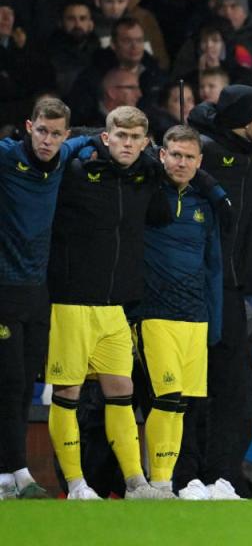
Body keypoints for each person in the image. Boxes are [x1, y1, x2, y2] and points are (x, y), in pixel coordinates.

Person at [45, 107, 177, 501]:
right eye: (120, 136)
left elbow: (163, 217)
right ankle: (75, 485)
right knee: (67, 393)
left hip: (116, 306)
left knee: (120, 392)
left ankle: (136, 482)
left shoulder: (141, 178)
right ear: (106, 137)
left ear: (145, 142)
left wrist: (158, 172)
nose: (127, 144)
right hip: (71, 301)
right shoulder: (75, 173)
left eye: (136, 138)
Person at [0, 99, 92, 499]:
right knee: (10, 380)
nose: (48, 140)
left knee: (24, 385)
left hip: (38, 292)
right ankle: (16, 471)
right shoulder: (6, 158)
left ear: (65, 136)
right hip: (3, 288)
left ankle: (9, 474)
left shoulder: (64, 155)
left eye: (56, 133)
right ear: (28, 127)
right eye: (41, 131)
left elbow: (99, 138)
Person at [185, 85, 252, 497]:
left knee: (234, 390)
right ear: (242, 117)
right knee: (187, 388)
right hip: (192, 288)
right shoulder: (203, 153)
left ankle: (223, 476)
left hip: (235, 290)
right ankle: (184, 477)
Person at [134, 124, 223, 498]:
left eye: (189, 157)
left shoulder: (206, 206)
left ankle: (166, 483)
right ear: (162, 154)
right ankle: (159, 479)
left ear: (199, 162)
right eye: (176, 155)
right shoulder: (145, 194)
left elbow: (214, 265)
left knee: (183, 404)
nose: (182, 162)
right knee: (166, 397)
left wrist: (214, 321)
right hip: (155, 313)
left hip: (195, 317)